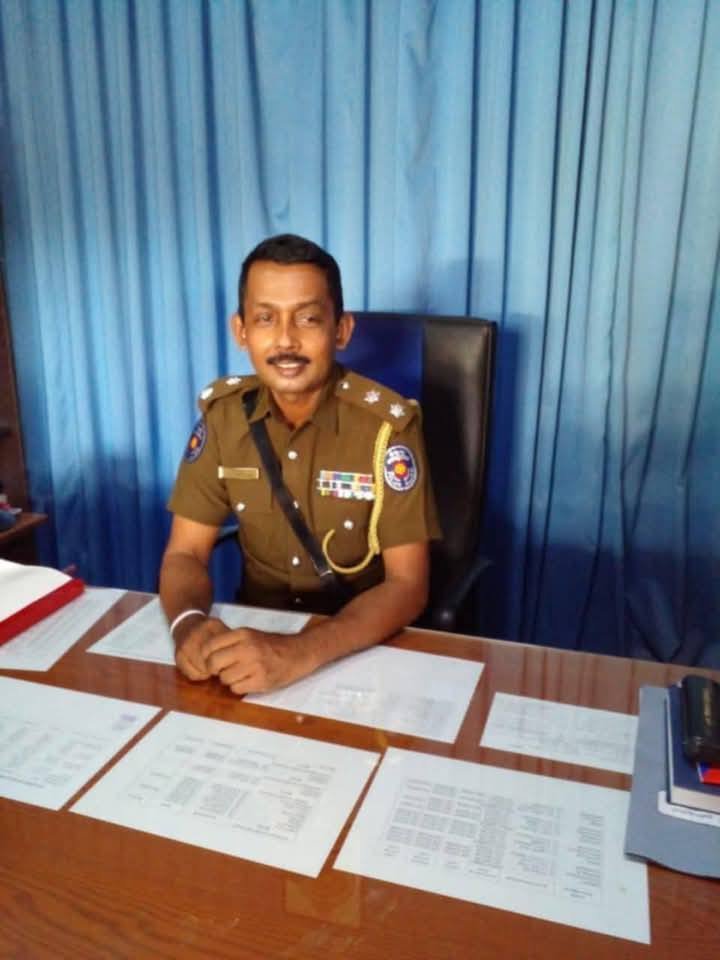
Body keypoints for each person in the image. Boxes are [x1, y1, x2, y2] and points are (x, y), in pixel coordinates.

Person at [159, 233, 440, 694]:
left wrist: (299, 653)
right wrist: (188, 625)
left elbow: (408, 585)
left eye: (308, 318)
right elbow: (185, 553)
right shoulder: (224, 418)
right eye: (265, 318)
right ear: (241, 331)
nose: (286, 340)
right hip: (253, 639)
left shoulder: (387, 429)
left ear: (341, 330)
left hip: (357, 644)